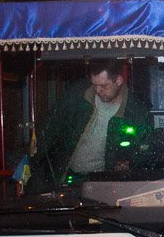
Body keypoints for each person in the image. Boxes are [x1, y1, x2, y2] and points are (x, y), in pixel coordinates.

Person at [27, 61, 152, 190]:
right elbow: (49, 128)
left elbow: (142, 151)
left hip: (103, 183)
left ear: (119, 80)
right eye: (94, 85)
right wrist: (28, 163)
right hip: (65, 178)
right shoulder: (78, 94)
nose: (97, 90)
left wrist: (127, 162)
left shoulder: (137, 112)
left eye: (103, 86)